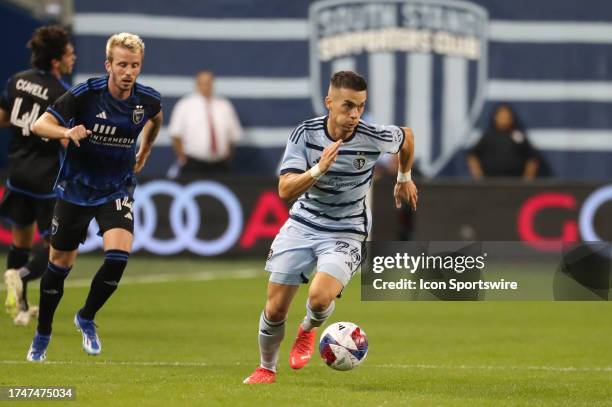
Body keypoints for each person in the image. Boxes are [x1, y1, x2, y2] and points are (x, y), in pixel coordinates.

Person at [243, 71, 418, 384]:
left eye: (360, 107)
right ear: (329, 102)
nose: (354, 115)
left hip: (347, 230)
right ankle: (266, 368)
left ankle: (308, 329)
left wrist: (404, 177)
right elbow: (285, 190)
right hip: (303, 223)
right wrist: (319, 168)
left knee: (320, 298)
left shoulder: (373, 135)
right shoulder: (305, 135)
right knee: (274, 310)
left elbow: (406, 136)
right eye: (348, 105)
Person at [25, 32, 163, 362]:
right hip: (76, 188)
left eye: (134, 65)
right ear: (109, 65)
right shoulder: (86, 94)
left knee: (118, 257)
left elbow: (155, 120)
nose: (129, 72)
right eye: (122, 65)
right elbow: (39, 125)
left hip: (116, 188)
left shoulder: (147, 99)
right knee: (60, 265)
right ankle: (43, 333)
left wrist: (145, 149)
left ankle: (86, 317)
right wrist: (66, 131)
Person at [0, 26, 75, 326]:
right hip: (45, 180)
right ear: (56, 61)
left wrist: (23, 121)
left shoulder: (17, 80)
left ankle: (20, 309)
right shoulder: (61, 93)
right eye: (69, 54)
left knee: (21, 242)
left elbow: (4, 117)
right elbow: (65, 139)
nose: (74, 58)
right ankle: (20, 275)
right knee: (61, 247)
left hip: (17, 174)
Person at [168, 70, 242, 178]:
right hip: (194, 164)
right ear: (197, 84)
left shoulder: (224, 106)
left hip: (219, 166)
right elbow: (175, 134)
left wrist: (226, 157)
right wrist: (182, 157)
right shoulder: (185, 105)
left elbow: (233, 136)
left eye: (209, 82)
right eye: (203, 83)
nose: (206, 86)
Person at [467, 103, 539, 180]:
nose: (504, 119)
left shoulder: (519, 136)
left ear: (511, 118)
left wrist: (527, 179)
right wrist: (478, 177)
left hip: (515, 184)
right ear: (495, 117)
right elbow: (472, 156)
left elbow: (533, 157)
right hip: (491, 184)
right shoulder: (487, 136)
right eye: (501, 116)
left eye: (506, 116)